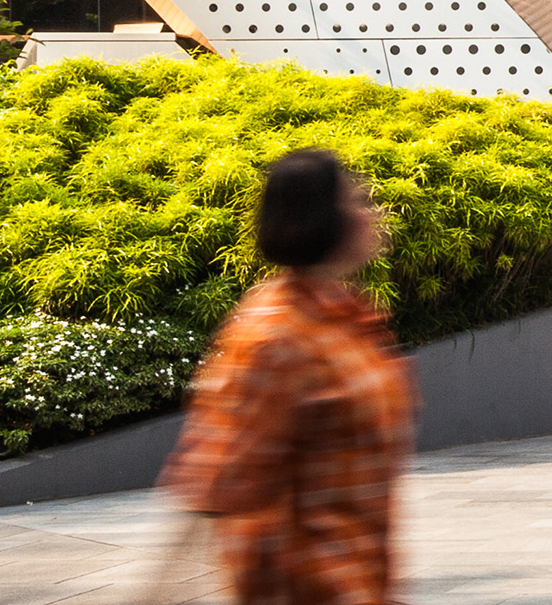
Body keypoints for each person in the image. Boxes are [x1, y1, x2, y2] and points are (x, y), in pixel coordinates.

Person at [163, 147, 419, 605]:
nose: (371, 215)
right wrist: (157, 591)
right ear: (322, 218)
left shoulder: (352, 317)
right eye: (357, 202)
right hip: (302, 584)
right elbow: (217, 480)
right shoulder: (274, 335)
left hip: (361, 577)